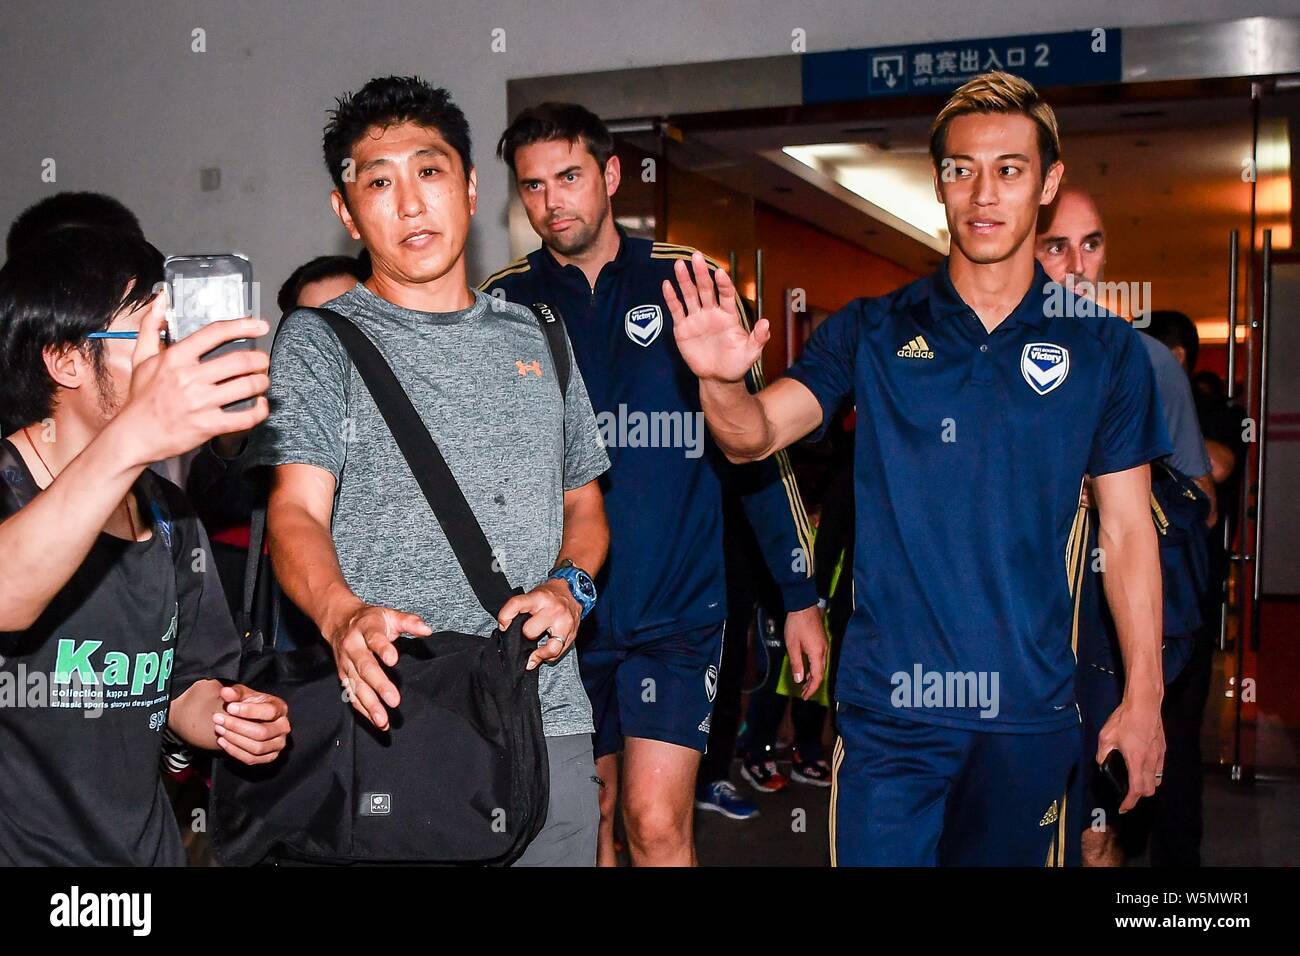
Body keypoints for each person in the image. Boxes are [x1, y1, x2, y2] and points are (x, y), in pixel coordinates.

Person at [667, 71, 1171, 866]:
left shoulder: (1105, 350)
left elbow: (1129, 530)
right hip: (891, 714)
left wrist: (1145, 695)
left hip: (1032, 713)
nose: (983, 192)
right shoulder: (872, 329)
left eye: (1010, 168)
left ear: (1048, 182)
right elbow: (753, 437)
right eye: (961, 169)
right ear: (938, 182)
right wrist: (723, 380)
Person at [256, 76, 612, 866]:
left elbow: (584, 506)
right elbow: (294, 514)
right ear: (346, 212)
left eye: (431, 171)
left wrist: (570, 588)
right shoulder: (319, 342)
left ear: (472, 186)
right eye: (379, 182)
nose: (410, 203)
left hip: (545, 714)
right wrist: (341, 612)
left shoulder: (541, 335)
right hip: (399, 720)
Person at [483, 102, 825, 866]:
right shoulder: (498, 305)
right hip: (566, 615)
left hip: (679, 611)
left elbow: (757, 450)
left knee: (658, 825)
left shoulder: (690, 282)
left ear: (610, 175)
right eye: (533, 186)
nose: (551, 202)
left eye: (568, 177)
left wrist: (799, 596)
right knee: (589, 824)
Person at [0, 225, 290, 865]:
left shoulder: (167, 511)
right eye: (156, 336)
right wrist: (137, 435)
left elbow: (185, 683)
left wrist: (226, 717)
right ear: (67, 359)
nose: (174, 358)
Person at [1035, 190, 1215, 867]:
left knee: (1094, 831)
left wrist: (1119, 490)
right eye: (1056, 245)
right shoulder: (984, 360)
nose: (1077, 264)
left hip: (1106, 637)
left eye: (1092, 243)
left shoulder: (1143, 361)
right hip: (1014, 632)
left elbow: (1201, 501)